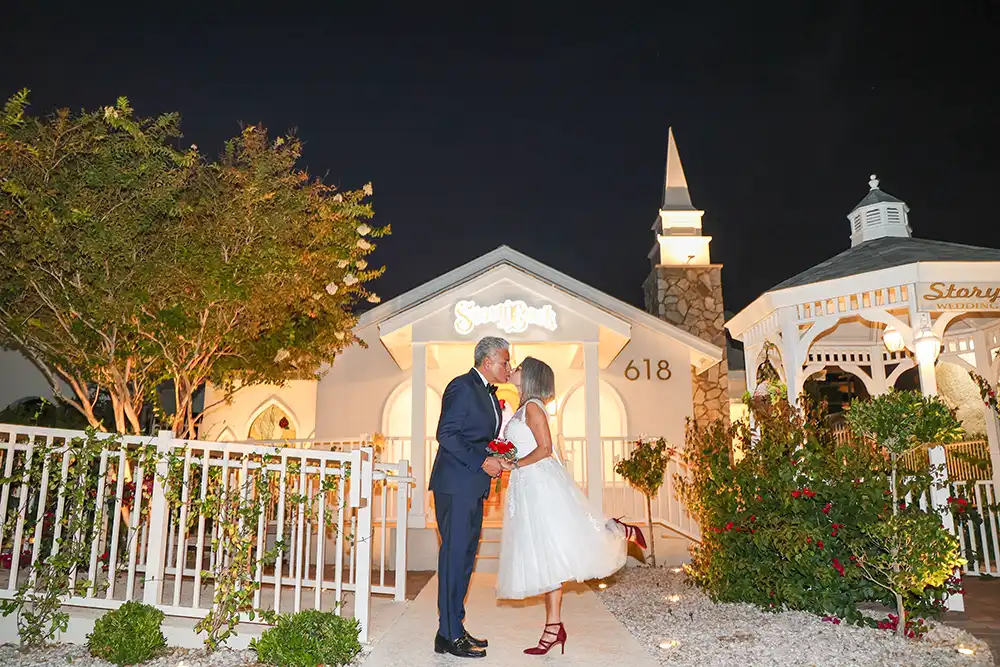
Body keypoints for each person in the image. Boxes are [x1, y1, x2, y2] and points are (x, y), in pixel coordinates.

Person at [496, 356, 646, 656]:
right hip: (526, 484)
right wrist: (506, 457)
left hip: (539, 483)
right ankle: (554, 627)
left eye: (520, 368)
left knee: (557, 548)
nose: (514, 370)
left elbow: (545, 448)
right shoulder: (522, 408)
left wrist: (515, 464)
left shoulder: (534, 406)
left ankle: (616, 529)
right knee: (549, 556)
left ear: (531, 376)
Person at [428, 336, 512, 659]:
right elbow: (446, 434)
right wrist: (482, 461)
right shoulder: (461, 386)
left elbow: (477, 438)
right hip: (455, 485)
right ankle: (450, 634)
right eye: (504, 361)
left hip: (471, 486)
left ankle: (451, 629)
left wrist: (495, 459)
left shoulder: (488, 394)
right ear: (487, 361)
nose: (508, 367)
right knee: (454, 558)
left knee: (464, 560)